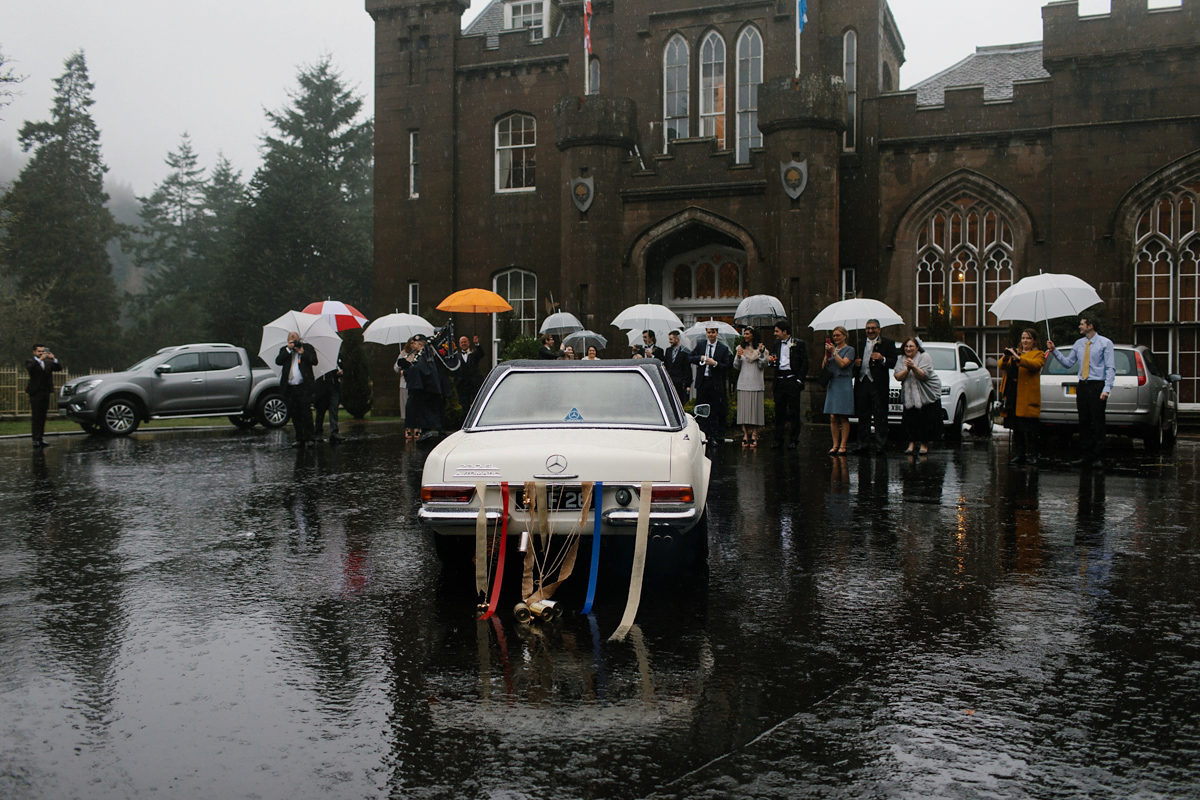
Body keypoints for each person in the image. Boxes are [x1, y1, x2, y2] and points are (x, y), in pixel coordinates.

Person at [1047, 314, 1115, 468]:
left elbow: (1110, 368)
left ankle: (1099, 457)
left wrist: (1106, 389)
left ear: (1090, 326)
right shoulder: (1079, 344)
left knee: (1097, 422)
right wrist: (1054, 351)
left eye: (1082, 324)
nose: (1079, 326)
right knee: (1084, 422)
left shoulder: (1105, 343)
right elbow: (1068, 363)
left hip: (1097, 385)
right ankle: (1086, 456)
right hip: (1083, 385)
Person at [999, 328, 1047, 466]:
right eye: (1023, 338)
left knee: (1030, 428)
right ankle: (1020, 454)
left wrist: (1019, 358)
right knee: (1016, 426)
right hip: (1013, 394)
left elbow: (1035, 365)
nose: (1025, 341)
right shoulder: (1016, 353)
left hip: (1026, 396)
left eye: (1028, 338)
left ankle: (1033, 455)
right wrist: (1007, 356)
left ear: (1034, 341)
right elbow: (1001, 365)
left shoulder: (1038, 354)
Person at [853, 318, 900, 455]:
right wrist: (856, 364)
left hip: (878, 384)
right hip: (862, 382)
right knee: (863, 416)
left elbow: (893, 362)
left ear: (879, 329)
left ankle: (880, 446)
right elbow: (853, 364)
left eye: (873, 328)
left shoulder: (887, 343)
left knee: (880, 415)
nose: (870, 331)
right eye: (868, 328)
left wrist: (882, 359)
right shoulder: (859, 344)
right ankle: (863, 445)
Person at [893, 337, 942, 455]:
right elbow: (898, 376)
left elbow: (924, 375)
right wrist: (907, 369)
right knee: (910, 419)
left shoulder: (925, 357)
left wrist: (913, 367)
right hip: (909, 393)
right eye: (906, 346)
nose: (908, 349)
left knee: (925, 419)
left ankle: (924, 445)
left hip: (926, 393)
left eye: (911, 346)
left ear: (917, 347)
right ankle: (911, 444)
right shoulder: (901, 359)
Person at [767, 320, 808, 449]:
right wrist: (771, 362)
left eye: (777, 331)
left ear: (785, 332)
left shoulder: (798, 344)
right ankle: (778, 439)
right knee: (779, 411)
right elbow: (775, 362)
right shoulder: (776, 344)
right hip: (780, 380)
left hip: (792, 379)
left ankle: (794, 439)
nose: (775, 334)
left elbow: (805, 363)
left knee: (794, 411)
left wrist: (799, 380)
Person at [394, 335, 443, 441]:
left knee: (425, 411)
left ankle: (430, 432)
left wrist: (408, 367)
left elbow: (423, 371)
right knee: (420, 411)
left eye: (415, 343)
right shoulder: (420, 355)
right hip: (420, 388)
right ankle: (425, 431)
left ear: (421, 344)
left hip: (425, 389)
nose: (413, 345)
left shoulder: (425, 355)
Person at [690, 326, 733, 446]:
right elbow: (690, 357)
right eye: (708, 332)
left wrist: (715, 363)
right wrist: (700, 358)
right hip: (703, 382)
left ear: (717, 333)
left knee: (714, 410)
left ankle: (713, 436)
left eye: (713, 332)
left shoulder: (723, 348)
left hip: (715, 383)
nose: (711, 335)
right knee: (702, 409)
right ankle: (703, 435)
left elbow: (727, 365)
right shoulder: (701, 345)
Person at [276, 332, 318, 448]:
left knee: (306, 413)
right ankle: (300, 438)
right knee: (294, 414)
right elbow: (278, 361)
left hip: (303, 387)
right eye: (291, 341)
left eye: (295, 340)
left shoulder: (307, 348)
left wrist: (302, 352)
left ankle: (310, 438)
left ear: (300, 339)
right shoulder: (284, 350)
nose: (294, 343)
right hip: (290, 387)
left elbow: (314, 361)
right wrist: (288, 349)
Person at [821, 326, 855, 454]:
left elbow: (843, 364)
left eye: (838, 335)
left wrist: (834, 352)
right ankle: (835, 444)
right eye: (834, 336)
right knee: (833, 416)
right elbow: (824, 366)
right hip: (833, 382)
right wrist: (827, 354)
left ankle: (843, 445)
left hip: (843, 383)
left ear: (844, 336)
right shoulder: (831, 349)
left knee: (843, 415)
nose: (836, 338)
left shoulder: (849, 350)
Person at [734, 327, 767, 447]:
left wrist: (761, 353)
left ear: (753, 335)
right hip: (743, 382)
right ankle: (745, 435)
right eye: (744, 334)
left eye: (747, 334)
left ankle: (754, 434)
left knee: (755, 411)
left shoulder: (761, 349)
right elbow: (736, 366)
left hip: (756, 382)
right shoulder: (740, 348)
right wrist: (738, 357)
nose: (745, 336)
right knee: (744, 411)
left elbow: (763, 365)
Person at [25, 344, 62, 448]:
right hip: (36, 392)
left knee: (42, 416)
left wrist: (54, 359)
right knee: (36, 416)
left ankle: (40, 438)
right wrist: (40, 360)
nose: (41, 353)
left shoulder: (48, 362)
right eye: (39, 351)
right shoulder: (31, 361)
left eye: (42, 351)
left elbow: (58, 368)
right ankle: (35, 439)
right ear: (34, 352)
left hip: (45, 391)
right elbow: (31, 369)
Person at [312, 354, 345, 443]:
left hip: (333, 386)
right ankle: (318, 432)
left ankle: (334, 432)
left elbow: (341, 367)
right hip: (322, 387)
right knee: (320, 410)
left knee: (334, 409)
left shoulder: (335, 356)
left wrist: (340, 372)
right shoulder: (318, 357)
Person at [451, 335, 487, 414]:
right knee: (465, 407)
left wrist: (477, 344)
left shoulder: (474, 354)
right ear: (459, 345)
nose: (464, 344)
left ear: (468, 343)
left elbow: (481, 354)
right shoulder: (456, 357)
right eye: (462, 342)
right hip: (462, 385)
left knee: (477, 404)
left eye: (465, 342)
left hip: (474, 384)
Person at [663, 330, 692, 405]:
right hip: (670, 380)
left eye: (671, 339)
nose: (669, 341)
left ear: (677, 339)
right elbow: (666, 364)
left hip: (680, 382)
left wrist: (687, 384)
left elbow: (687, 369)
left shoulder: (685, 352)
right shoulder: (668, 350)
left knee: (680, 402)